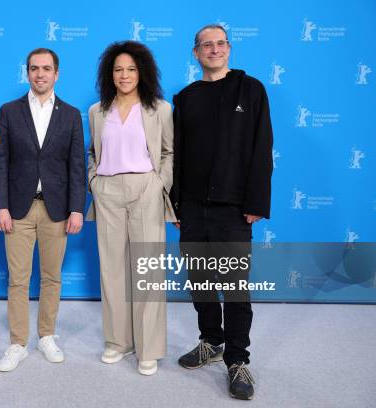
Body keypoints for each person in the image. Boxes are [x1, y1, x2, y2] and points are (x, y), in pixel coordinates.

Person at [172, 24, 273, 400]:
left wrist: (256, 203)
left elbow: (262, 146)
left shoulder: (252, 90)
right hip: (193, 209)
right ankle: (210, 342)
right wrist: (176, 203)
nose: (213, 50)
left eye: (220, 44)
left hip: (233, 208)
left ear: (229, 49)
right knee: (200, 283)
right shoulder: (185, 98)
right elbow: (177, 156)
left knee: (233, 287)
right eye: (206, 45)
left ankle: (237, 359)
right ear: (196, 53)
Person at [0, 48, 86, 372]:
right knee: (18, 280)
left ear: (56, 74)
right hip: (17, 209)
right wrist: (0, 205)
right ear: (27, 73)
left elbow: (77, 166)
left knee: (52, 277)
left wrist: (77, 209)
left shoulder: (72, 115)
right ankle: (17, 343)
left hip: (57, 210)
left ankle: (46, 335)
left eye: (47, 69)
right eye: (34, 68)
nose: (40, 74)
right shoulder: (9, 111)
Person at [86, 41, 176, 376]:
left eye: (131, 69)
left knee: (148, 269)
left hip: (146, 189)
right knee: (112, 269)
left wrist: (159, 184)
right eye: (118, 69)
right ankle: (118, 342)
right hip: (107, 190)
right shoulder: (98, 111)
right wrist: (94, 180)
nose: (124, 75)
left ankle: (148, 348)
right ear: (110, 74)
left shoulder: (160, 109)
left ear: (143, 72)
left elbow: (169, 153)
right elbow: (92, 153)